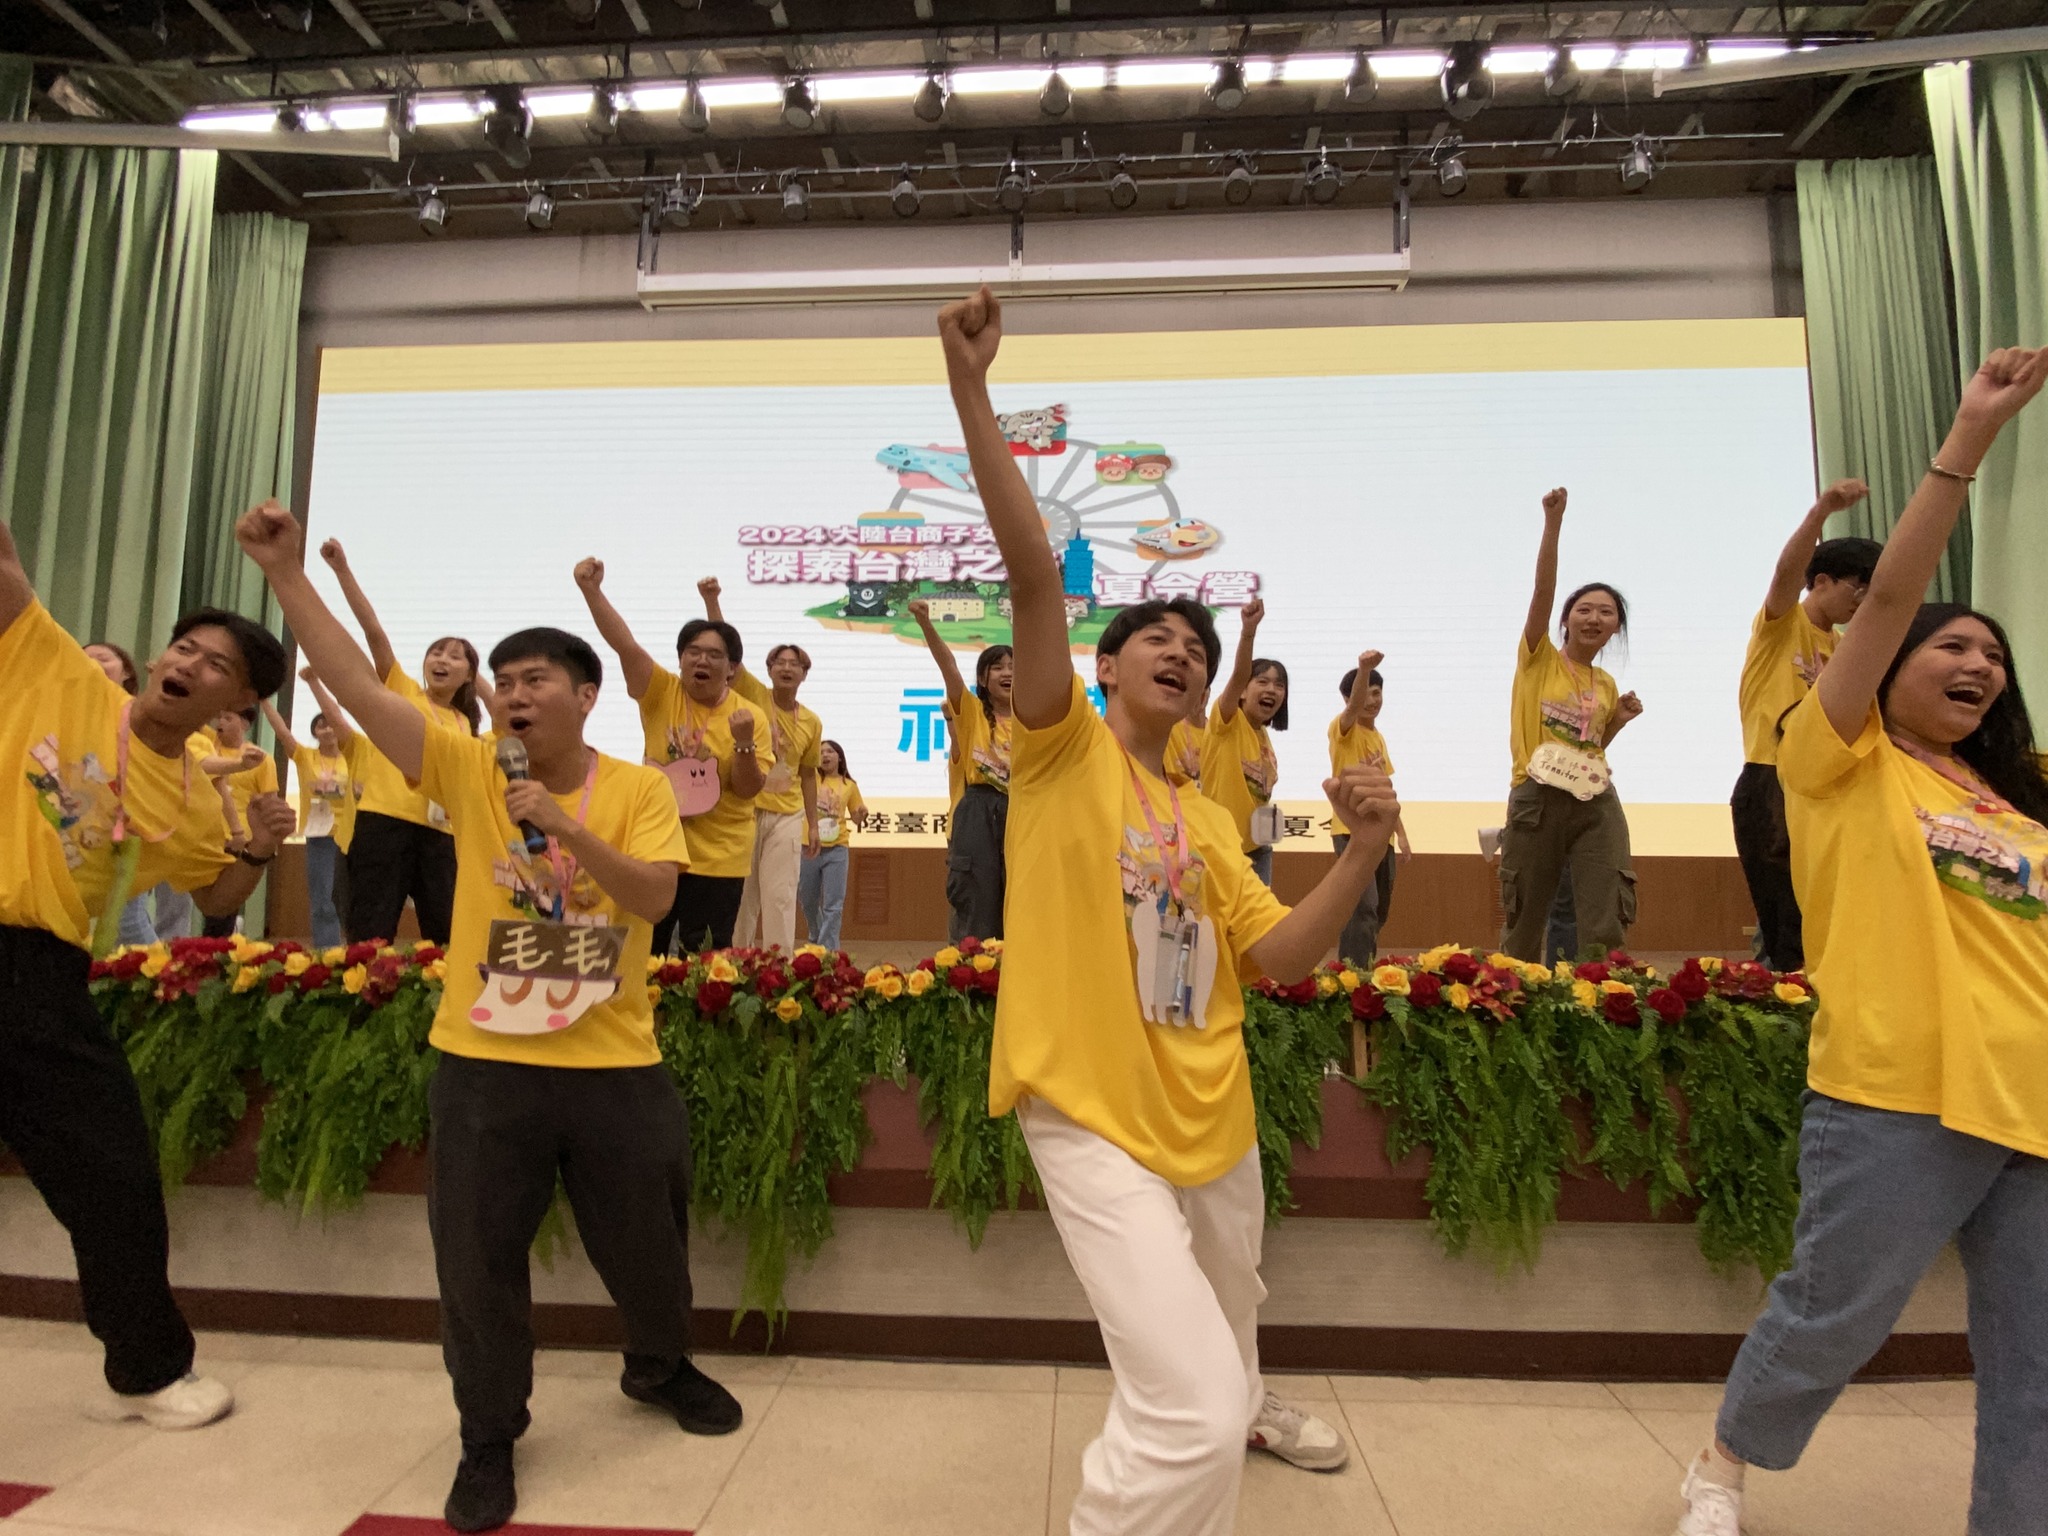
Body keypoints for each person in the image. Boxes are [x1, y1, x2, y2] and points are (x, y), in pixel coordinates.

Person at [940, 286, 1399, 1536]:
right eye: (1150, 632)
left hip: (1217, 1115)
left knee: (1227, 1364)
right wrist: (972, 394)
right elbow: (1034, 578)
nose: (1178, 647)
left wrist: (1359, 851)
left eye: (1193, 642)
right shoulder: (1055, 755)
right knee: (1189, 1412)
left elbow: (1286, 959)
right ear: (1100, 663)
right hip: (1090, 1110)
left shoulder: (1208, 820)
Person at [237, 500, 743, 1535]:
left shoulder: (641, 787)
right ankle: (487, 1434)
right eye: (501, 683)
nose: (511, 695)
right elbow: (350, 681)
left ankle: (656, 1367)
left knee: (649, 1248)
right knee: (475, 1263)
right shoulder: (465, 767)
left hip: (614, 1064)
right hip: (483, 1061)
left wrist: (563, 826)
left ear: (584, 696)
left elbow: (651, 900)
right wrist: (290, 577)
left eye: (534, 680)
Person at [1674, 347, 2048, 1536]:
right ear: (1881, 666)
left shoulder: (2013, 807)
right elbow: (1883, 597)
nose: (1977, 663)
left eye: (1991, 656)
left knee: (2036, 1360)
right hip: (1899, 1091)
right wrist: (1967, 440)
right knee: (1835, 1310)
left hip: (2033, 1098)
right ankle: (1723, 1462)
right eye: (1953, 645)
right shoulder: (1836, 761)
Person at [0, 518, 293, 1431]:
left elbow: (217, 893)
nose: (186, 664)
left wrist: (256, 843)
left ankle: (149, 1368)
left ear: (234, 701)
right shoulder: (55, 669)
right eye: (183, 647)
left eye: (214, 665)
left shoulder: (195, 796)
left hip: (33, 976)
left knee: (114, 1173)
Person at [574, 559, 768, 955]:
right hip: (655, 848)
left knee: (706, 958)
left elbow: (748, 790)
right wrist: (592, 591)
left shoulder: (752, 716)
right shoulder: (661, 691)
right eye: (692, 652)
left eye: (714, 656)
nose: (701, 661)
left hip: (719, 857)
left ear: (731, 669)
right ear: (680, 659)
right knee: (643, 949)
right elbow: (625, 646)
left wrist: (744, 742)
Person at [1732, 482, 1881, 972]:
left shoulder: (1842, 647)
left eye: (1869, 592)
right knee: (1784, 923)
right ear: (1819, 582)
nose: (1861, 601)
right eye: (1855, 588)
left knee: (1822, 915)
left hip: (1823, 789)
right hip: (1771, 778)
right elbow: (1784, 573)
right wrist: (1821, 511)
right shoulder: (1782, 625)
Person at [1496, 488, 1644, 963]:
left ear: (1615, 628)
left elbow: (1591, 744)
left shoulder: (1605, 682)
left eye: (1606, 612)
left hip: (1594, 799)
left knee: (1605, 912)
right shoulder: (1538, 659)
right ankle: (1513, 1003)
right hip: (1537, 798)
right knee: (1525, 920)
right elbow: (1542, 590)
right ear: (1565, 621)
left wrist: (1616, 722)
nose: (1594, 617)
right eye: (1584, 609)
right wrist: (1553, 524)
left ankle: (1603, 999)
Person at [318, 540, 478, 945]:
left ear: (470, 676)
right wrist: (342, 571)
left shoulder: (466, 725)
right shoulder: (402, 691)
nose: (442, 660)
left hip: (441, 836)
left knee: (446, 937)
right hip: (384, 824)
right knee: (371, 932)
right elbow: (374, 633)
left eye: (456, 657)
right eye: (437, 652)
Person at [698, 578, 821, 952]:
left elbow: (808, 774)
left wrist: (813, 824)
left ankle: (780, 972)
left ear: (804, 674)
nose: (786, 668)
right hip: (747, 809)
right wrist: (712, 600)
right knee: (742, 898)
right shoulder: (751, 694)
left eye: (794, 664)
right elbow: (726, 651)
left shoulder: (812, 721)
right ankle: (735, 965)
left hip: (786, 815)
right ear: (768, 670)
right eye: (779, 662)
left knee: (780, 896)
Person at [910, 597, 1013, 939]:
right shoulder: (969, 712)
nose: (1008, 673)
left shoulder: (1035, 724)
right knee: (976, 903)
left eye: (1014, 666)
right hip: (978, 811)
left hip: (1022, 811)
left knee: (1018, 901)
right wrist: (926, 624)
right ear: (983, 679)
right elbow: (949, 667)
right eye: (998, 667)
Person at [263, 671, 364, 952]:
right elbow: (282, 732)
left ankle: (357, 949)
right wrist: (264, 702)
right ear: (315, 732)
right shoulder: (306, 756)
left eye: (331, 725)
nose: (328, 730)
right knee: (322, 900)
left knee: (352, 898)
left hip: (350, 835)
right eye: (321, 726)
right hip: (320, 835)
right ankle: (326, 952)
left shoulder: (353, 757)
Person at [1329, 652, 1412, 964]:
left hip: (1382, 835)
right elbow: (1351, 711)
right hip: (1351, 830)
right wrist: (1364, 670)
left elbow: (1388, 793)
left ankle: (1360, 966)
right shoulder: (1342, 730)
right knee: (1362, 906)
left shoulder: (1378, 739)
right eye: (1363, 694)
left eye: (1376, 693)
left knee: (1378, 910)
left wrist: (1401, 835)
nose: (1371, 700)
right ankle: (1353, 976)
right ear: (1348, 699)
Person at [1201, 600, 1285, 885]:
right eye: (1262, 681)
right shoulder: (1228, 721)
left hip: (1258, 851)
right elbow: (1237, 676)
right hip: (1220, 849)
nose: (1271, 689)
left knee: (1260, 930)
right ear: (1242, 692)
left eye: (1279, 685)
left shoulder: (1263, 736)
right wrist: (1248, 632)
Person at [196, 704, 279, 938]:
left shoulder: (260, 758)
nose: (221, 722)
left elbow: (268, 801)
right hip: (206, 835)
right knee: (205, 901)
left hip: (239, 838)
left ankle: (217, 951)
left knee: (223, 907)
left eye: (228, 718)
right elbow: (191, 718)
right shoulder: (209, 746)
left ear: (245, 724)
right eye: (219, 717)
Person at [799, 740, 865, 952]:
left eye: (830, 751)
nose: (825, 755)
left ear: (839, 757)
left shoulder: (849, 785)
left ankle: (828, 949)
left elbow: (856, 817)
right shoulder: (810, 779)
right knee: (807, 899)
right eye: (821, 752)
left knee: (833, 904)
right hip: (809, 846)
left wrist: (861, 814)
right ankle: (817, 934)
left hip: (837, 848)